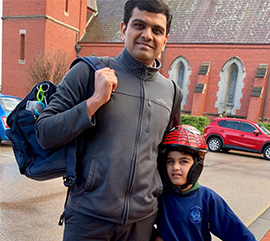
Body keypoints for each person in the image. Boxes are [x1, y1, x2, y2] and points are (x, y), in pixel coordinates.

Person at [35, 0, 181, 240]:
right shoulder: (88, 71)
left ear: (165, 39)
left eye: (157, 30)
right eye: (139, 25)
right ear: (124, 29)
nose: (147, 35)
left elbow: (166, 160)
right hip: (88, 219)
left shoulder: (172, 92)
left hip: (142, 224)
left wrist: (164, 225)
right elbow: (44, 133)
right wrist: (94, 101)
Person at [152, 125, 256, 241]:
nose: (175, 167)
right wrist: (155, 236)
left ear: (197, 165)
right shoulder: (159, 195)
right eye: (170, 161)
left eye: (183, 161)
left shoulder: (207, 198)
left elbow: (238, 233)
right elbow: (139, 225)